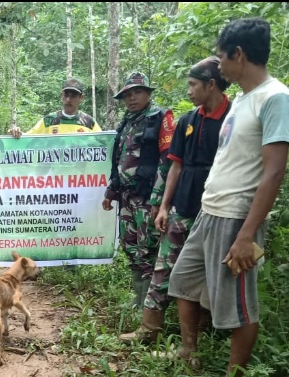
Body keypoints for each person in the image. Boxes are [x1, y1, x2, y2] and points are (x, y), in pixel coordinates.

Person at [165, 18, 289, 376]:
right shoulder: (242, 99)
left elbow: (273, 172)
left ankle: (234, 372)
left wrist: (246, 235)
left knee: (239, 306)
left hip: (237, 217)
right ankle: (187, 351)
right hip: (210, 210)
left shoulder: (276, 99)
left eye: (222, 57)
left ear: (239, 54)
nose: (219, 66)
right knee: (183, 282)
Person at [119, 56, 232, 344]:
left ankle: (206, 331)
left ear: (211, 84)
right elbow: (174, 165)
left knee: (213, 270)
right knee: (164, 265)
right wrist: (164, 205)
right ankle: (149, 328)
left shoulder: (233, 118)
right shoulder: (187, 121)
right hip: (183, 205)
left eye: (193, 85)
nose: (189, 91)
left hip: (220, 207)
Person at [102, 72, 175, 309]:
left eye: (137, 93)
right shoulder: (127, 122)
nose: (132, 98)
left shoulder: (160, 118)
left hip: (147, 198)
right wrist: (112, 190)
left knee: (148, 248)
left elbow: (168, 160)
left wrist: (159, 199)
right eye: (127, 95)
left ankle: (150, 304)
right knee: (129, 244)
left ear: (148, 94)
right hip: (126, 196)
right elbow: (119, 160)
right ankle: (138, 298)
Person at [9, 77, 101, 137]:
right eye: (66, 95)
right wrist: (16, 132)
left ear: (81, 97)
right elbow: (28, 138)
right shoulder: (49, 120)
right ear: (62, 95)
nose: (68, 100)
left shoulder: (89, 123)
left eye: (73, 96)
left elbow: (104, 142)